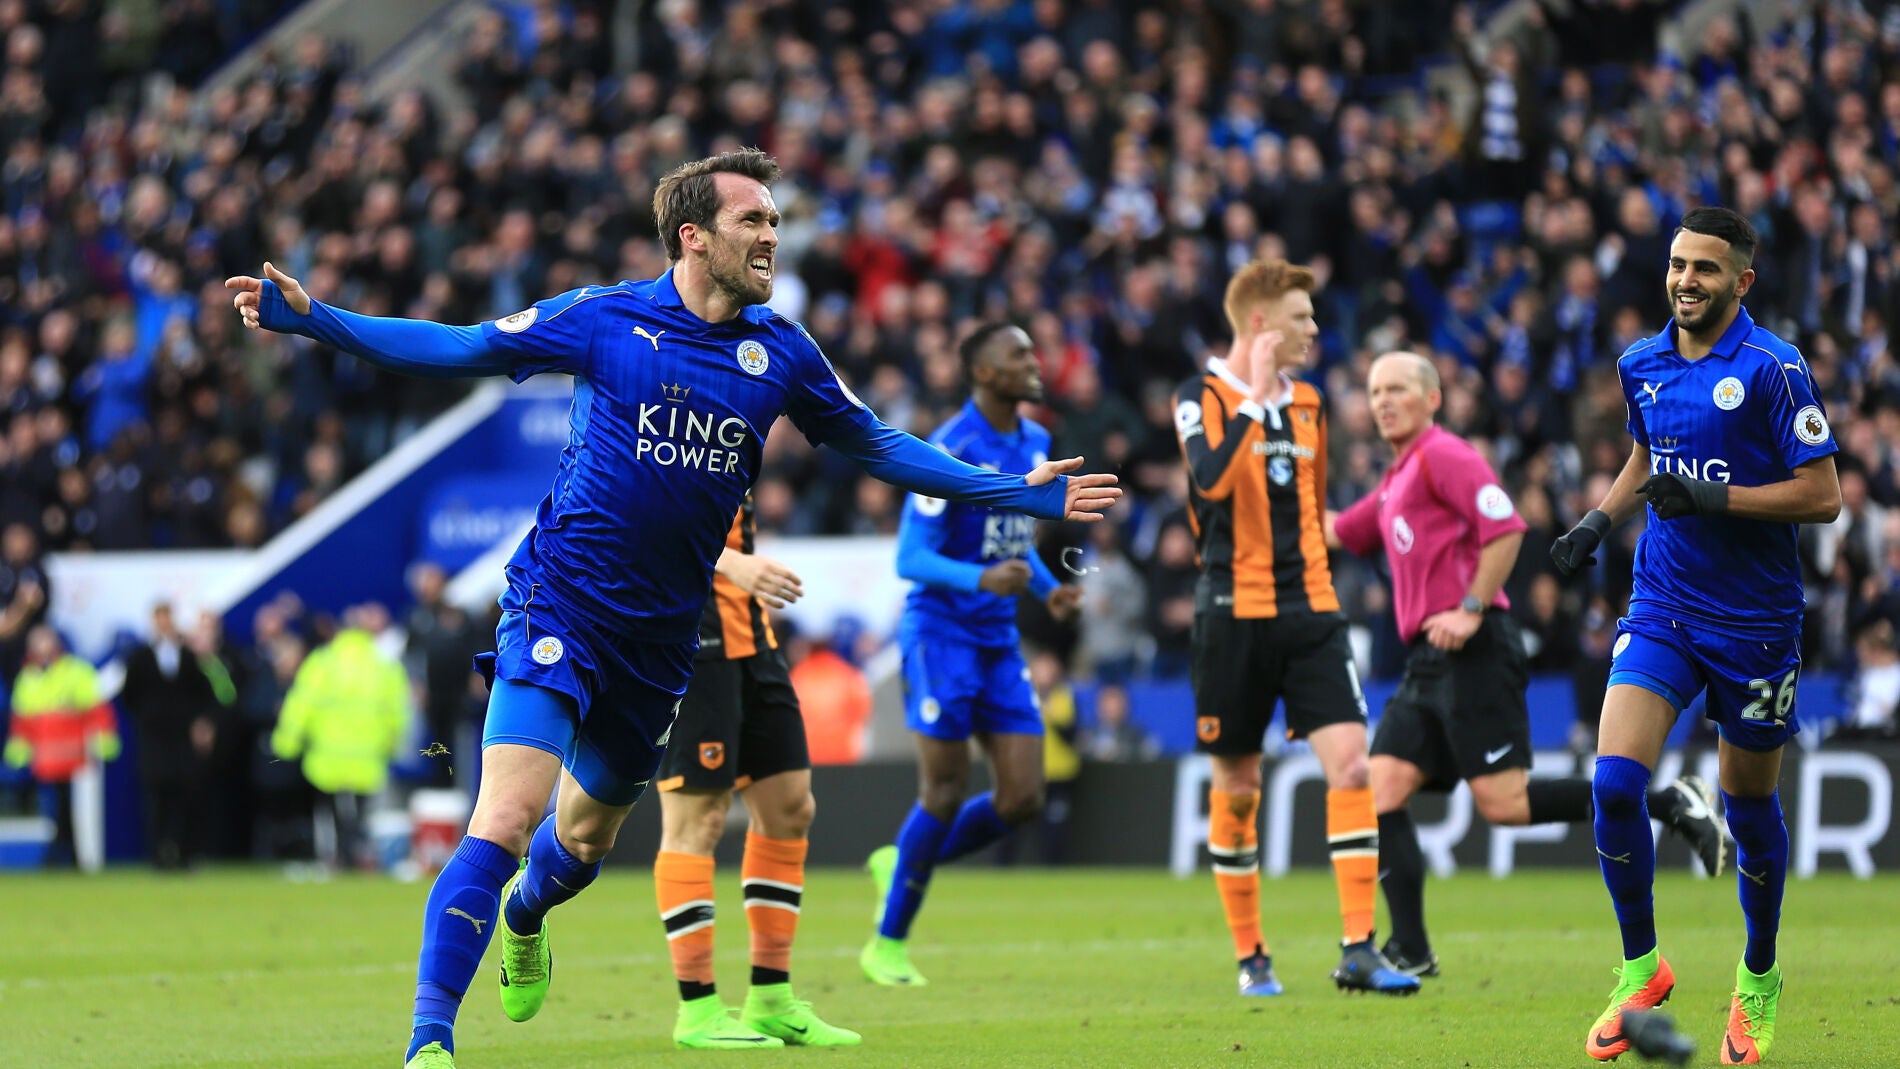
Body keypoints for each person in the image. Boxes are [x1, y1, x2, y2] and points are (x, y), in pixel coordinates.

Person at [226, 149, 1119, 1069]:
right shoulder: (603, 318)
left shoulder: (783, 351)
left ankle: (528, 914)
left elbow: (881, 445)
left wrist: (1017, 492)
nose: (772, 235)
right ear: (693, 237)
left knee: (582, 838)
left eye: (775, 221)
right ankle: (429, 1041)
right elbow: (465, 345)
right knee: (505, 816)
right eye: (754, 221)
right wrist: (317, 322)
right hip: (559, 604)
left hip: (662, 643)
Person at [1549, 206, 1840, 1064]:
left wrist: (1716, 498)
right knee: (1612, 784)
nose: (1685, 280)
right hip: (1665, 603)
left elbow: (1822, 494)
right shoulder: (1640, 362)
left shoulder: (1775, 369)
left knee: (1749, 809)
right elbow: (1648, 453)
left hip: (1755, 622)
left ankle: (1757, 976)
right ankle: (1642, 964)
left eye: (1705, 269)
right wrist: (1598, 522)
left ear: (1740, 281)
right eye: (1678, 265)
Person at [1329, 352, 1723, 982]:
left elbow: (1505, 528)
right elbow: (1338, 532)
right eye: (1375, 389)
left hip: (1475, 649)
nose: (1383, 400)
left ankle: (1669, 801)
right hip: (1427, 661)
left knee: (1505, 805)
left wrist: (1470, 607)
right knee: (1381, 792)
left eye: (1398, 387)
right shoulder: (1396, 476)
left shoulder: (1445, 455)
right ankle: (1410, 948)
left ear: (1432, 399)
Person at [1173, 258, 1416, 997]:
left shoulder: (1309, 404)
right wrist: (1253, 400)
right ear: (1261, 323)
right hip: (1231, 613)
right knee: (1239, 787)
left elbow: (1310, 509)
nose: (1314, 328)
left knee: (1350, 767)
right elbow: (1210, 481)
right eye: (1302, 317)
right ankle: (1251, 954)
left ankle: (1357, 947)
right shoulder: (1200, 396)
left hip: (1310, 609)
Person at [860, 322, 1084, 987]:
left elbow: (1013, 543)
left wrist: (1048, 590)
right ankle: (888, 941)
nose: (1033, 360)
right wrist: (979, 580)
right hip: (940, 633)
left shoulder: (1036, 441)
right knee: (948, 787)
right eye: (1017, 354)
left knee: (1022, 798)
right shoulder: (948, 449)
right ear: (984, 373)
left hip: (996, 637)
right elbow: (911, 556)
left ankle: (897, 860)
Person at [650, 493, 860, 1048]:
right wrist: (729, 562)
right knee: (699, 819)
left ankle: (770, 999)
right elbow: (639, 514)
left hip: (753, 638)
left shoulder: (745, 419)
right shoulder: (655, 416)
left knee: (791, 807)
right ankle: (697, 1009)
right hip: (686, 640)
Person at [271, 605, 411, 870]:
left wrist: (285, 744)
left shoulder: (323, 661)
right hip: (368, 756)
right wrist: (393, 746)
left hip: (327, 756)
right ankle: (359, 854)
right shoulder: (383, 664)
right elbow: (398, 711)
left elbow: (300, 705)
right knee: (361, 812)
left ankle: (336, 859)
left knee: (329, 813)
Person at [4, 626, 118, 867]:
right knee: (54, 810)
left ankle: (71, 855)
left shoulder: (77, 672)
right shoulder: (28, 677)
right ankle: (59, 853)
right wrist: (17, 757)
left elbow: (97, 712)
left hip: (75, 757)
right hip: (44, 760)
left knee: (71, 810)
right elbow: (22, 722)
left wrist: (104, 745)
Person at [118, 602, 219, 870]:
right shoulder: (139, 657)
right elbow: (129, 696)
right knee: (156, 800)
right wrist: (148, 717)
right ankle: (158, 856)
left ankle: (184, 855)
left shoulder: (188, 656)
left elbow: (204, 693)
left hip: (182, 738)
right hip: (152, 739)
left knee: (183, 797)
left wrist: (201, 723)